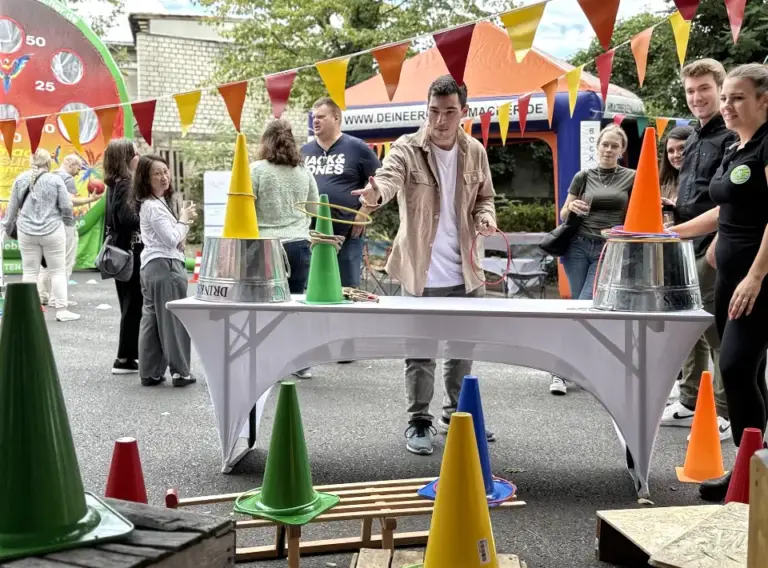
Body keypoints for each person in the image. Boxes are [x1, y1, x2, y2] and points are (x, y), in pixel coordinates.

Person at [352, 75, 497, 455]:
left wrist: (484, 217)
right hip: (420, 269)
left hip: (466, 272)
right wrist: (374, 193)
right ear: (426, 110)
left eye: (450, 112)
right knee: (419, 353)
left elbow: (485, 197)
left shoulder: (476, 151)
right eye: (434, 111)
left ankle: (457, 416)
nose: (441, 121)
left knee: (461, 351)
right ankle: (419, 420)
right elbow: (388, 177)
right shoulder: (407, 147)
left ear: (463, 112)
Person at [670, 63, 768, 502]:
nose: (727, 105)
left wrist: (757, 274)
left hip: (758, 279)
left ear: (764, 100)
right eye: (725, 97)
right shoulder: (736, 147)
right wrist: (669, 233)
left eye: (737, 97)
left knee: (734, 368)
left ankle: (747, 476)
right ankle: (756, 469)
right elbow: (723, 212)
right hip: (731, 276)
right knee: (747, 373)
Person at [661, 59, 736, 439]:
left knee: (716, 330)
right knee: (687, 328)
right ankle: (690, 401)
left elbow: (733, 199)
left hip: (713, 244)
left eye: (704, 88)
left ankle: (724, 411)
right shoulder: (691, 137)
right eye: (690, 90)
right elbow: (695, 190)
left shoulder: (731, 136)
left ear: (719, 89)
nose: (696, 97)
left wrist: (718, 242)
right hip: (685, 241)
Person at [551, 124, 635, 395]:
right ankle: (571, 369)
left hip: (607, 249)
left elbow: (637, 214)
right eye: (604, 144)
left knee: (585, 306)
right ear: (597, 147)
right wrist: (572, 208)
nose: (609, 149)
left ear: (621, 150)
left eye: (614, 145)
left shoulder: (631, 177)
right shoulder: (583, 176)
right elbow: (564, 214)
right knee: (580, 308)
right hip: (576, 246)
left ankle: (561, 370)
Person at [252, 118, 319, 379]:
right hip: (299, 244)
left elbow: (246, 207)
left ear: (265, 142)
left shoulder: (256, 170)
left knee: (268, 307)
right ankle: (300, 362)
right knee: (296, 305)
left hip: (266, 245)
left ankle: (271, 361)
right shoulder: (304, 172)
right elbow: (314, 208)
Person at [301, 97, 381, 289]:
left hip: (347, 234)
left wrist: (364, 214)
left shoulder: (357, 148)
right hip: (310, 235)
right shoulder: (303, 151)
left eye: (321, 116)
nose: (315, 121)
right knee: (313, 288)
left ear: (336, 118)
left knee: (346, 289)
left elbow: (380, 184)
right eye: (314, 117)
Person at [133, 154, 197, 387]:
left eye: (166, 172)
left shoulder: (154, 203)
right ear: (146, 179)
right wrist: (184, 220)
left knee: (151, 318)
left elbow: (171, 238)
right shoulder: (154, 206)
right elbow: (171, 239)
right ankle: (181, 372)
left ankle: (149, 371)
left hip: (152, 266)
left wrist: (180, 227)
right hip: (165, 266)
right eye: (157, 173)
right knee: (173, 320)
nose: (164, 177)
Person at [3, 149, 79, 321]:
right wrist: (68, 224)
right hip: (53, 231)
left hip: (26, 232)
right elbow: (66, 206)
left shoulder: (20, 178)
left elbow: (12, 209)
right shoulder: (55, 180)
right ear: (48, 162)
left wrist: (8, 229)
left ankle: (28, 310)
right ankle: (61, 310)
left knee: (30, 271)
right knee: (58, 271)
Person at [38, 154, 102, 307]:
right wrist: (91, 200)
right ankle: (57, 298)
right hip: (64, 224)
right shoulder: (67, 179)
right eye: (78, 169)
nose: (78, 173)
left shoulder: (48, 177)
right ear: (71, 164)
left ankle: (41, 296)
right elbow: (68, 201)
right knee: (65, 262)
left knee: (47, 262)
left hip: (47, 224)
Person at [103, 138, 142, 375]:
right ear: (127, 158)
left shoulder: (114, 183)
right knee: (133, 304)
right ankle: (125, 357)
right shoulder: (127, 184)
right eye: (136, 153)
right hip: (131, 251)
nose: (140, 157)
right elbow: (127, 220)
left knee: (128, 302)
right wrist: (147, 215)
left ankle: (128, 355)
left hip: (120, 251)